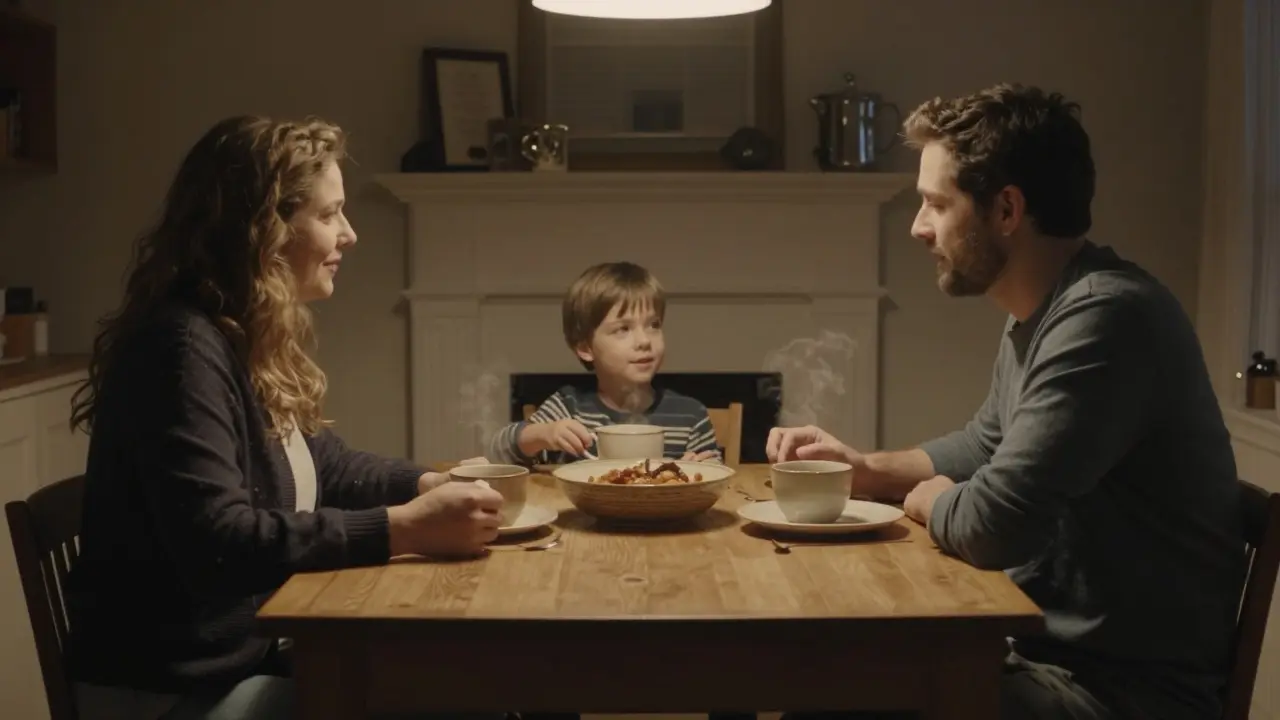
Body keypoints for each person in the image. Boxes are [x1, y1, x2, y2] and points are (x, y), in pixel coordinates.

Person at [768, 84, 1246, 720]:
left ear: (1007, 210)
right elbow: (986, 442)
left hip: (1119, 692)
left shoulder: (1106, 318)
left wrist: (930, 498)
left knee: (828, 689)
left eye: (937, 203)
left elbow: (994, 526)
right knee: (831, 666)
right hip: (1044, 655)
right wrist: (869, 471)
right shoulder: (1044, 312)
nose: (918, 227)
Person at [64, 115, 508, 720]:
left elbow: (324, 461)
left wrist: (427, 484)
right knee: (473, 694)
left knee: (479, 681)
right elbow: (215, 540)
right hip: (175, 693)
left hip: (241, 662)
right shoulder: (182, 348)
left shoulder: (238, 334)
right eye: (328, 215)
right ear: (260, 229)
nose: (348, 234)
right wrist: (402, 528)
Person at [487, 261, 721, 466]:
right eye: (623, 329)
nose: (644, 341)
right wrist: (543, 434)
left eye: (654, 325)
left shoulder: (690, 415)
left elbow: (718, 478)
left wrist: (702, 470)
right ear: (585, 348)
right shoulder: (569, 407)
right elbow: (497, 453)